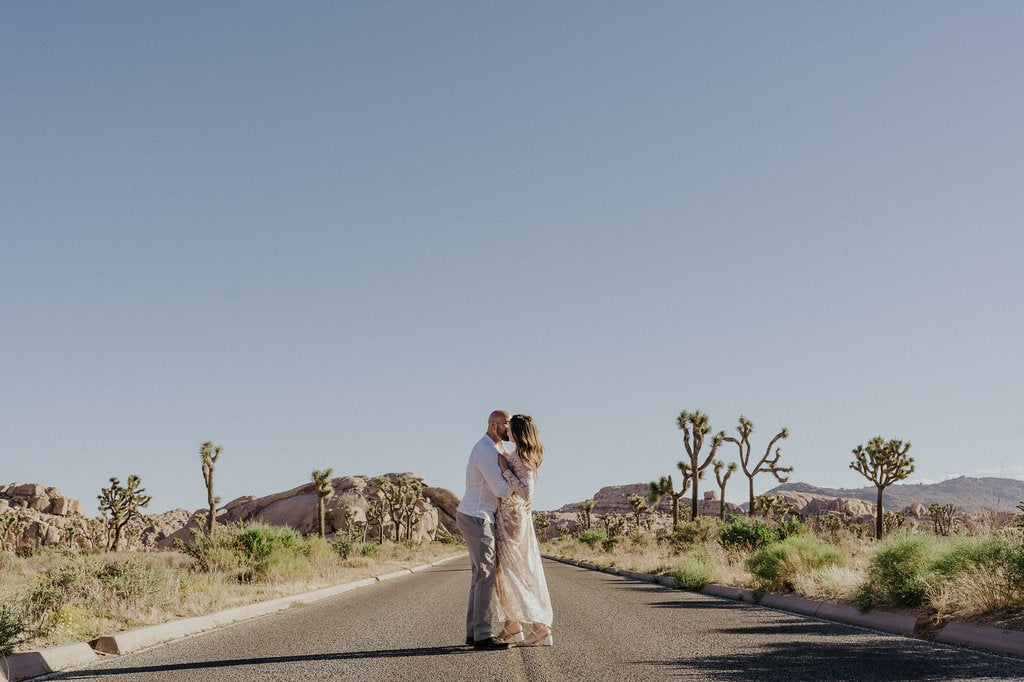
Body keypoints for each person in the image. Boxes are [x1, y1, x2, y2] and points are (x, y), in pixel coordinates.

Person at [456, 410, 514, 650]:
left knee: (480, 575)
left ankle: (474, 632)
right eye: (506, 424)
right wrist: (518, 483)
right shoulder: (486, 450)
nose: (509, 428)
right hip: (478, 516)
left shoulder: (497, 448)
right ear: (493, 424)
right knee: (486, 575)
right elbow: (501, 490)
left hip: (479, 515)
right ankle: (482, 635)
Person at [494, 414, 553, 646]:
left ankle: (540, 628)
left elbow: (527, 492)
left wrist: (505, 470)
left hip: (512, 519)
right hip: (509, 516)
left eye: (510, 427)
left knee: (516, 572)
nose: (506, 430)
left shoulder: (523, 457)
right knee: (504, 573)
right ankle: (512, 625)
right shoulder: (518, 453)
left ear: (518, 431)